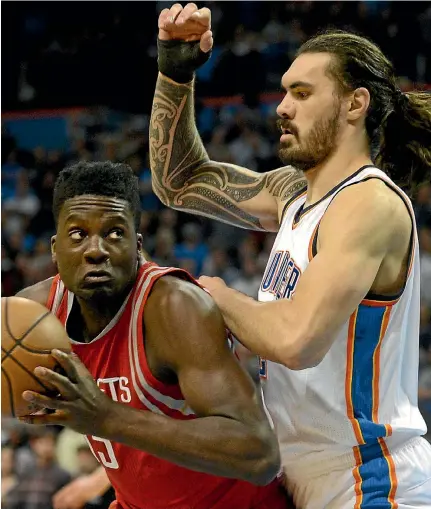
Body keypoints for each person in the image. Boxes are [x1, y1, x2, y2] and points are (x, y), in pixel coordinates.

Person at [149, 3, 431, 508]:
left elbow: (298, 341)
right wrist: (174, 70)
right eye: (284, 92)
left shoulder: (367, 202)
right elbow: (179, 182)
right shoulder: (292, 196)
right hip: (303, 479)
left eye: (302, 93)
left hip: (369, 482)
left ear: (354, 103)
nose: (282, 106)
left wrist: (213, 295)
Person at [16, 161, 290, 509]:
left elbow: (259, 453)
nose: (95, 249)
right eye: (78, 234)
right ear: (55, 249)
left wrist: (107, 417)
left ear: (138, 245)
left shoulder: (175, 308)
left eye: (115, 232)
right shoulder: (32, 314)